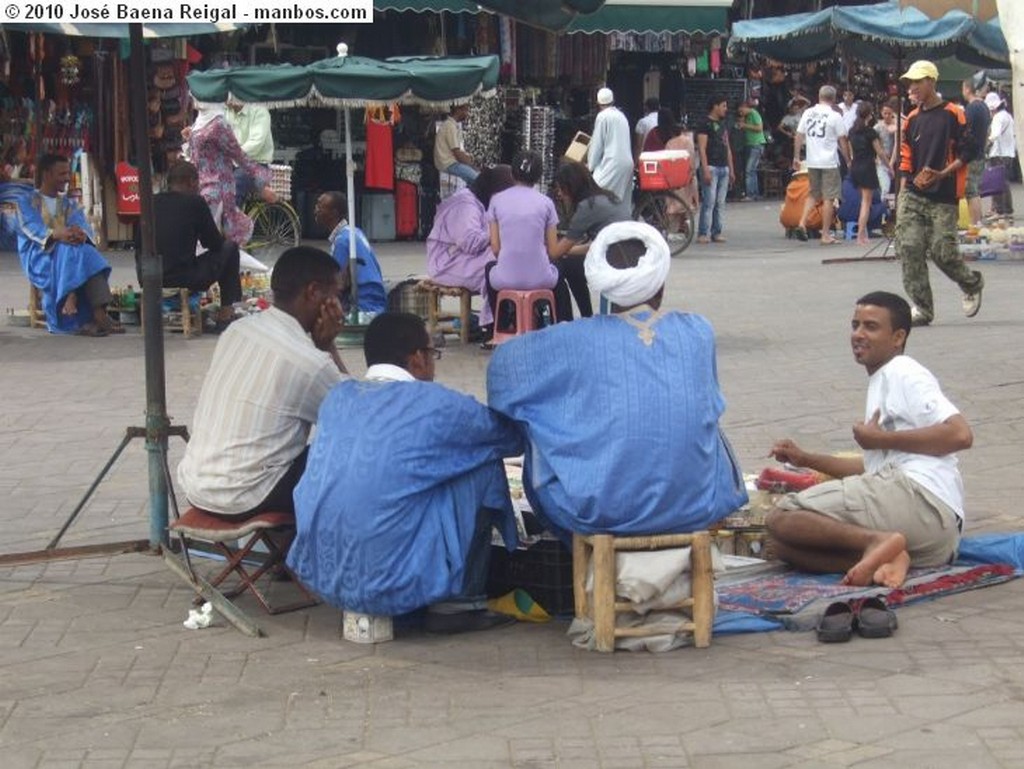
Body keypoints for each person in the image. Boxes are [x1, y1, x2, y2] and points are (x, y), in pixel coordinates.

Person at [487, 221, 747, 540]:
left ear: (603, 287)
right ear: (661, 283)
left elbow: (502, 375)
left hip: (596, 517)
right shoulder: (698, 331)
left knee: (533, 425)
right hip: (697, 505)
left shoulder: (571, 338)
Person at [288, 312, 523, 632]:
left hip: (324, 577)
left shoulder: (337, 397)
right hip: (387, 577)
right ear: (417, 358)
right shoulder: (434, 402)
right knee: (483, 462)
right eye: (432, 353)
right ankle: (459, 604)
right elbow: (509, 437)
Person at [766, 291, 971, 589]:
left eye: (871, 327)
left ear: (898, 337)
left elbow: (960, 434)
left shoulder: (903, 371)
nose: (858, 335)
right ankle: (889, 557)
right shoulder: (883, 379)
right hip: (936, 541)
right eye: (855, 325)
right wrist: (805, 458)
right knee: (781, 547)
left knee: (783, 516)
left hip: (924, 502)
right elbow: (874, 467)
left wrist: (880, 438)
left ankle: (879, 541)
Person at [177, 246, 347, 517]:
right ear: (314, 292)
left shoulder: (237, 331)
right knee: (347, 455)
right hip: (246, 495)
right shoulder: (310, 362)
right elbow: (355, 420)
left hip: (197, 484)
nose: (340, 306)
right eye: (336, 295)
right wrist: (327, 346)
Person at [896, 60, 984, 327]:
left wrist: (943, 173)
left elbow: (968, 152)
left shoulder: (954, 113)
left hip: (944, 194)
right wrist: (901, 197)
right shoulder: (911, 119)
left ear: (931, 82)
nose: (912, 88)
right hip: (914, 193)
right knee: (909, 246)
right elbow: (906, 160)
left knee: (942, 251)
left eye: (917, 82)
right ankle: (922, 308)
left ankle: (971, 283)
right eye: (910, 83)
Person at [15, 153, 120, 336]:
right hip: (40, 256)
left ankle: (98, 312)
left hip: (71, 253)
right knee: (69, 250)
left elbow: (82, 225)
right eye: (62, 174)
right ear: (47, 174)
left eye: (67, 173)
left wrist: (80, 234)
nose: (67, 178)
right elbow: (30, 228)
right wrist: (57, 235)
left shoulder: (69, 203)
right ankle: (73, 301)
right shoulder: (26, 202)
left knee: (87, 251)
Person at [150, 160, 241, 330]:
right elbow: (213, 243)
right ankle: (226, 314)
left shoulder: (151, 203)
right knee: (230, 248)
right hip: (182, 276)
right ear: (191, 182)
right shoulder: (195, 202)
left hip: (148, 276)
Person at [426, 164, 515, 330]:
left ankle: (507, 316)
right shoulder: (465, 204)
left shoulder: (481, 202)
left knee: (509, 257)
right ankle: (494, 323)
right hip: (447, 263)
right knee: (495, 265)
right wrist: (500, 232)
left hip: (465, 256)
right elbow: (470, 242)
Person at [484, 150, 560, 331]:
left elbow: (495, 248)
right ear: (539, 176)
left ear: (512, 173)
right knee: (559, 269)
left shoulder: (496, 200)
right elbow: (553, 249)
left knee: (489, 269)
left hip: (505, 278)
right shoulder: (546, 203)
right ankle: (550, 324)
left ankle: (501, 324)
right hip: (540, 278)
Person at [548, 160, 632, 321]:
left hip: (616, 259)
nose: (559, 194)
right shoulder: (607, 197)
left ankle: (567, 320)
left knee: (567, 266)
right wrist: (568, 250)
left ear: (571, 187)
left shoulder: (587, 207)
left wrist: (549, 245)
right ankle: (586, 316)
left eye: (561, 189)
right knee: (572, 261)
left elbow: (555, 252)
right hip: (626, 252)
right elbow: (597, 245)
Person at [187, 101, 273, 247]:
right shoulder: (202, 121)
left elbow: (245, 150)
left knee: (237, 183)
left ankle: (230, 235)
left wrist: (261, 179)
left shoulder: (220, 121)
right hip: (206, 179)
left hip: (249, 163)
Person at [793, 85, 851, 245]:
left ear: (819, 96)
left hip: (812, 160)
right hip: (829, 162)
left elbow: (798, 135)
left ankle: (802, 223)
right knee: (829, 198)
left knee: (813, 193)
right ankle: (825, 234)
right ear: (833, 99)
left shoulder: (808, 113)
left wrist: (796, 156)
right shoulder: (835, 116)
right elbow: (843, 141)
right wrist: (848, 160)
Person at [314, 191, 387, 315]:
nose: (316, 210)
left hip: (364, 304)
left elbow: (338, 285)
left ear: (334, 213)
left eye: (320, 207)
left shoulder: (342, 241)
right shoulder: (354, 232)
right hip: (376, 298)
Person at [848, 102, 892, 245]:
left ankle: (863, 233)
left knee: (863, 201)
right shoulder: (870, 132)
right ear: (869, 115)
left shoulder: (852, 131)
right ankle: (861, 235)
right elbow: (879, 152)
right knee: (866, 203)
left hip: (855, 166)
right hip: (868, 167)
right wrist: (889, 167)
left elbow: (850, 151)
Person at [695, 94, 735, 244]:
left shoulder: (724, 124)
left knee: (720, 202)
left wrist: (731, 168)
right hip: (711, 166)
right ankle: (703, 232)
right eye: (723, 105)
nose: (726, 109)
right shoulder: (704, 124)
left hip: (723, 166)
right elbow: (702, 148)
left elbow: (727, 147)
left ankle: (716, 232)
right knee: (709, 201)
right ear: (715, 106)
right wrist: (705, 169)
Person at [587, 87, 634, 206]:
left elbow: (597, 144)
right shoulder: (621, 115)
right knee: (621, 203)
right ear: (612, 101)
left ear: (598, 103)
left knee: (594, 193)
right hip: (627, 163)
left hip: (613, 163)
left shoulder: (602, 117)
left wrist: (590, 166)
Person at [225, 98, 275, 203]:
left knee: (234, 186)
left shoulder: (259, 111)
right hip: (232, 163)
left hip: (256, 164)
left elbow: (256, 142)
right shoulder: (226, 112)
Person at [961, 79, 991, 226]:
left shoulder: (971, 108)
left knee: (971, 192)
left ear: (967, 89)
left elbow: (966, 132)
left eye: (963, 88)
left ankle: (975, 225)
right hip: (980, 154)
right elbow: (987, 133)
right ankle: (977, 223)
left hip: (971, 156)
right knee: (976, 191)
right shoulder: (985, 107)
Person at [985, 91, 1016, 219]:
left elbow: (995, 135)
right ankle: (1007, 209)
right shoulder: (1008, 116)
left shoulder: (998, 118)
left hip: (999, 153)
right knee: (1004, 182)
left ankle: (999, 210)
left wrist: (986, 144)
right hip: (1009, 152)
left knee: (997, 182)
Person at [433, 103, 478, 185]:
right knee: (478, 179)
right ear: (458, 110)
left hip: (451, 163)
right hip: (449, 164)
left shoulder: (451, 125)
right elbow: (457, 153)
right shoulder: (450, 126)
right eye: (466, 110)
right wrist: (472, 165)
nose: (467, 113)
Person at [737, 101, 768, 200]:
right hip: (750, 144)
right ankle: (754, 193)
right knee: (752, 170)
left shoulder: (754, 114)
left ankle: (750, 194)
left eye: (741, 111)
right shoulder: (747, 116)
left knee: (749, 170)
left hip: (756, 144)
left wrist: (745, 125)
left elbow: (759, 128)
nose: (741, 113)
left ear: (745, 107)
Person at [873, 98, 900, 194]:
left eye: (889, 113)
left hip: (896, 159)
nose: (887, 116)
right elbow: (875, 146)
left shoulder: (898, 125)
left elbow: (897, 145)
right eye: (885, 113)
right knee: (885, 187)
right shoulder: (877, 127)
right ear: (881, 113)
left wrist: (892, 163)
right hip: (882, 160)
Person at [778, 95, 809, 165]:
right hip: (796, 138)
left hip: (806, 139)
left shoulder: (799, 113)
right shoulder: (787, 118)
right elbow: (779, 127)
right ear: (790, 109)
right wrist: (787, 133)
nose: (796, 110)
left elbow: (808, 103)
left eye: (797, 108)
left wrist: (801, 97)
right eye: (794, 108)